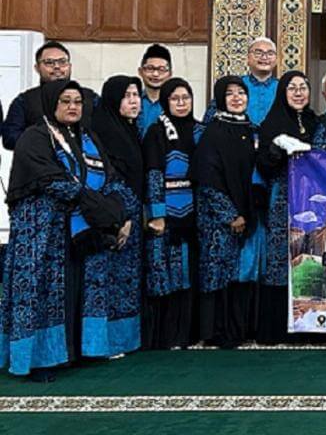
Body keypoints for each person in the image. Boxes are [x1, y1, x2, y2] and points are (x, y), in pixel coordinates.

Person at [1, 80, 140, 380]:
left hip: (83, 228)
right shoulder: (35, 137)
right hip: (44, 233)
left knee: (77, 289)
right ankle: (40, 359)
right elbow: (51, 180)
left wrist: (119, 210)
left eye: (77, 101)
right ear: (52, 104)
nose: (73, 106)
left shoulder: (87, 137)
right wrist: (99, 207)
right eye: (65, 101)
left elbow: (111, 177)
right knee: (47, 292)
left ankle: (75, 351)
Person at [195, 76, 260, 348]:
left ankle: (238, 329)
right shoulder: (213, 131)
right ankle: (216, 332)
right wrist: (230, 215)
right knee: (217, 274)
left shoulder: (252, 130)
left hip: (247, 215)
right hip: (218, 219)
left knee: (240, 275)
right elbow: (207, 178)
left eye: (241, 93)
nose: (236, 98)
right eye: (230, 93)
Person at [256, 71, 320, 344]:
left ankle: (309, 325)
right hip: (283, 197)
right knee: (281, 258)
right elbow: (264, 166)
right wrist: (276, 149)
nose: (298, 92)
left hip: (313, 200)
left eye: (303, 87)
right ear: (283, 92)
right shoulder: (272, 124)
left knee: (309, 256)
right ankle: (275, 329)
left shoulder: (316, 122)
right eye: (291, 87)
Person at [141, 78, 204, 350]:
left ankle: (186, 335)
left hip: (195, 216)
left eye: (186, 98)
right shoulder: (156, 132)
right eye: (175, 98)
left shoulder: (200, 130)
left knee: (188, 275)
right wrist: (156, 213)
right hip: (167, 216)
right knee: (164, 276)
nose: (182, 103)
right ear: (166, 102)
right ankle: (163, 337)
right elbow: (153, 173)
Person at [1, 41, 99, 150]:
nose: (57, 67)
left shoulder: (90, 97)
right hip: (40, 162)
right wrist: (47, 142)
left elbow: (105, 132)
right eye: (49, 62)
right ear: (37, 68)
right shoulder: (25, 100)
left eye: (62, 62)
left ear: (70, 66)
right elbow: (9, 138)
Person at [90, 76, 145, 203]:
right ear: (113, 99)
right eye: (126, 96)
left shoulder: (132, 129)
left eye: (136, 95)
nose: (133, 101)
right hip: (114, 210)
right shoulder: (103, 132)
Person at [203, 37, 279, 126]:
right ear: (248, 58)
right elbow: (208, 122)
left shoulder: (284, 87)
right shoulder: (233, 85)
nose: (264, 57)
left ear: (276, 59)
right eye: (258, 53)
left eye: (270, 53)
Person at [136, 44, 173, 137]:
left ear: (170, 74)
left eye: (161, 69)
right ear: (140, 71)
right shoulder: (133, 100)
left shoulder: (175, 103)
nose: (155, 74)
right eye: (150, 68)